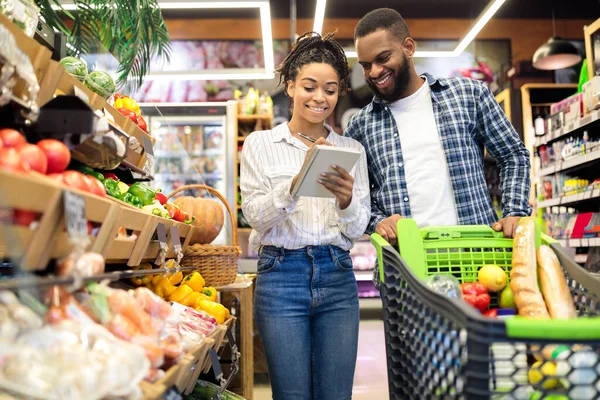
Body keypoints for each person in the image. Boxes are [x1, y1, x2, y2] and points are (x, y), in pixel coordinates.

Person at [240, 32, 370, 400]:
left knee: (335, 394)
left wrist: (346, 201)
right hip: (280, 278)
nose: (320, 98)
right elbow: (254, 216)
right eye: (309, 87)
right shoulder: (261, 144)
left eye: (330, 90)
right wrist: (293, 187)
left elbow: (357, 227)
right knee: (291, 393)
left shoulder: (350, 149)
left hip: (337, 276)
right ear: (291, 86)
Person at [345, 8, 532, 247]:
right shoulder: (360, 126)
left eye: (382, 59)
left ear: (409, 47)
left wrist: (515, 211)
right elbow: (355, 198)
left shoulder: (469, 95)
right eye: (365, 65)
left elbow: (513, 155)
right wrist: (378, 221)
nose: (374, 72)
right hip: (405, 265)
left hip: (476, 255)